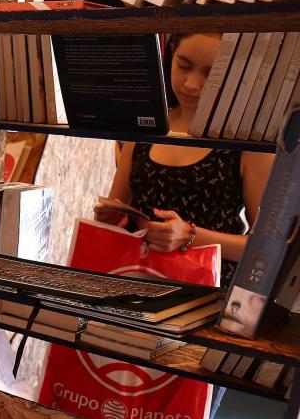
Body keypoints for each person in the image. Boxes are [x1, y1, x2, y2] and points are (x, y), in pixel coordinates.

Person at [97, 33, 274, 285]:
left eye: (211, 73)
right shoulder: (148, 128)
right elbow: (116, 210)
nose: (191, 84)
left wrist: (190, 235)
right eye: (183, 65)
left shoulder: (246, 142)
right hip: (134, 279)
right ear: (170, 56)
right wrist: (112, 219)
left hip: (206, 291)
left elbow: (266, 249)